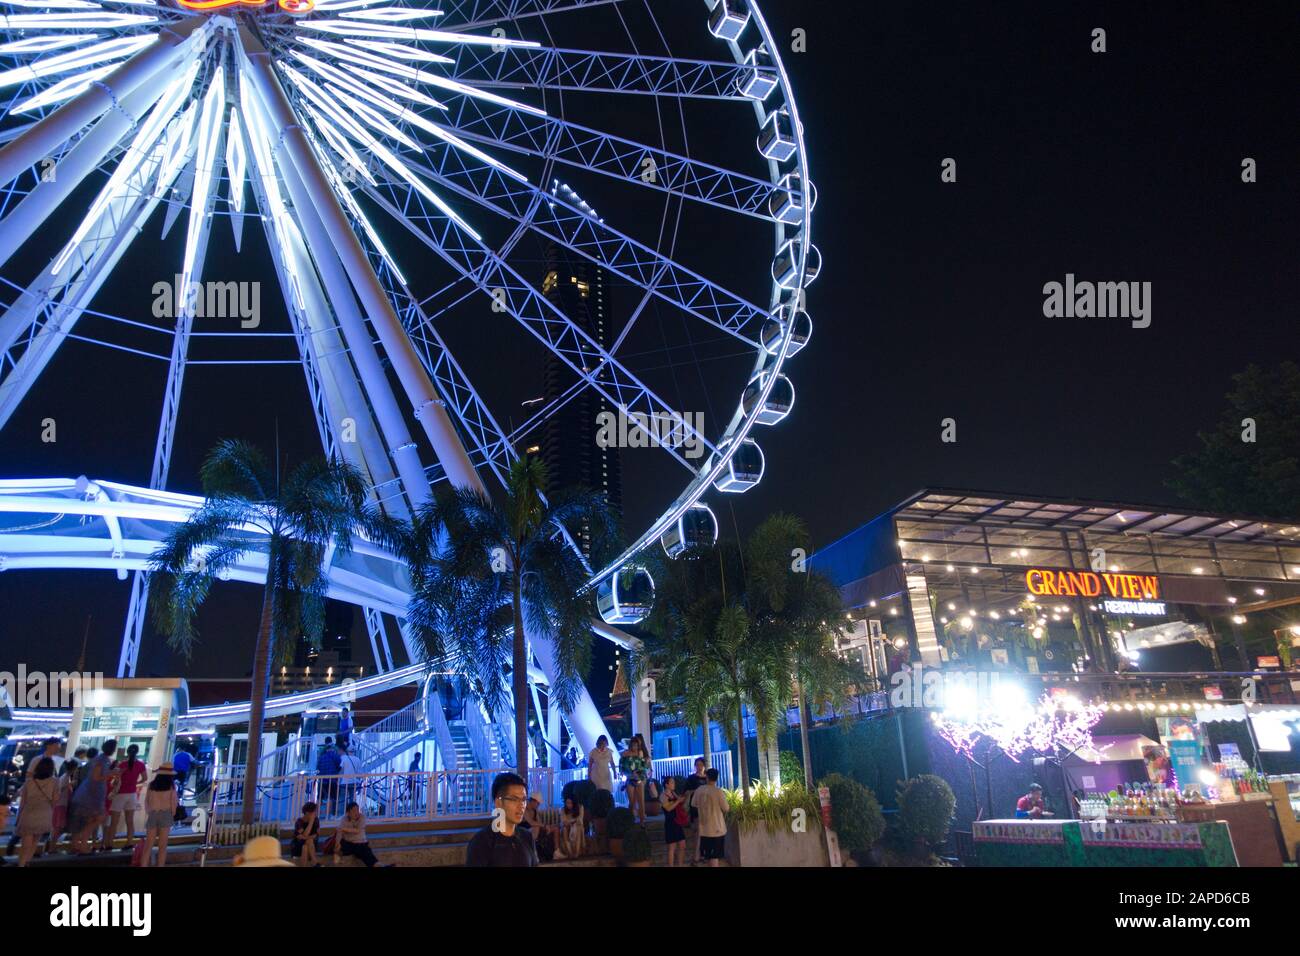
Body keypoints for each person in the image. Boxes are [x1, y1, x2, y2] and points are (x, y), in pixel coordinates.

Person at [464, 772, 538, 867]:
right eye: (514, 799)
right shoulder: (482, 842)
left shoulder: (527, 837)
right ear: (498, 803)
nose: (521, 806)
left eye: (523, 800)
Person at [69, 739, 117, 855]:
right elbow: (96, 777)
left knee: (91, 819)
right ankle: (82, 844)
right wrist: (111, 773)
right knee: (97, 818)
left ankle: (82, 845)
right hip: (93, 794)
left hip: (91, 793)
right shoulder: (102, 760)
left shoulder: (101, 760)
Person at [16, 757, 59, 867]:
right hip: (45, 814)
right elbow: (55, 801)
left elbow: (23, 802)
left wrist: (18, 817)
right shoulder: (54, 781)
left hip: (29, 813)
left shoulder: (29, 782)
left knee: (25, 844)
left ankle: (21, 864)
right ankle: (27, 863)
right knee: (35, 841)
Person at [105, 743, 147, 850]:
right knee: (130, 820)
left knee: (114, 821)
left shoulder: (122, 764)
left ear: (127, 752)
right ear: (137, 752)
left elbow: (116, 779)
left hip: (120, 794)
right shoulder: (140, 764)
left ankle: (109, 844)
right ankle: (129, 842)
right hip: (132, 794)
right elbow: (144, 778)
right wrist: (136, 783)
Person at [141, 763, 177, 867]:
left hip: (153, 814)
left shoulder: (152, 784)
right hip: (166, 814)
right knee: (162, 846)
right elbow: (173, 801)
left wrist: (149, 811)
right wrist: (173, 813)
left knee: (148, 845)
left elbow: (146, 800)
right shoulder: (171, 786)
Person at [692, 768, 729, 867]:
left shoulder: (699, 790)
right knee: (715, 857)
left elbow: (693, 804)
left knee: (708, 857)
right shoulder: (718, 792)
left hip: (704, 829)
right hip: (717, 829)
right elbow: (726, 808)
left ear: (706, 777)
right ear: (717, 778)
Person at [336, 801, 386, 867]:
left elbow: (357, 830)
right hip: (349, 843)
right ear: (348, 813)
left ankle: (378, 865)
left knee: (365, 851)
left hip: (361, 843)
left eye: (357, 810)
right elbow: (339, 832)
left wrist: (344, 829)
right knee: (341, 846)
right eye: (354, 810)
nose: (356, 812)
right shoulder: (344, 819)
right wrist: (337, 843)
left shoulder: (362, 818)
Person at [681, 756, 708, 863]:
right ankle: (696, 855)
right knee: (697, 830)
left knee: (704, 831)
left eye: (700, 765)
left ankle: (701, 854)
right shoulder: (691, 778)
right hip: (695, 806)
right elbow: (685, 792)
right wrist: (695, 791)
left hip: (706, 807)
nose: (699, 767)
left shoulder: (707, 778)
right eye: (697, 765)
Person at [619, 737, 649, 824]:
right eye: (633, 745)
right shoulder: (626, 753)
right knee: (631, 802)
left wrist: (646, 763)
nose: (635, 747)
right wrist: (628, 773)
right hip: (630, 779)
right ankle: (630, 820)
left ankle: (642, 821)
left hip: (639, 779)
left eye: (636, 745)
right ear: (631, 745)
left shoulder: (640, 753)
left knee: (641, 801)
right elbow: (622, 765)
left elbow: (643, 766)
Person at [660, 775, 688, 867]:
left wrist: (683, 799)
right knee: (671, 847)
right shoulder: (663, 795)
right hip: (670, 823)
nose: (674, 784)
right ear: (666, 785)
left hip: (677, 821)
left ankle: (680, 864)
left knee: (682, 845)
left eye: (673, 782)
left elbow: (679, 803)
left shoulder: (673, 793)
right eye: (672, 782)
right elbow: (668, 808)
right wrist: (678, 801)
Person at [315, 736, 342, 814]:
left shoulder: (321, 756)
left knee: (320, 797)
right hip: (332, 779)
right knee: (332, 797)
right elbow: (339, 765)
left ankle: (317, 813)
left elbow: (318, 767)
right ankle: (328, 814)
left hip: (322, 780)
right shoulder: (335, 755)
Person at [291, 801, 321, 866]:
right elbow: (304, 835)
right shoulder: (299, 822)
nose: (315, 814)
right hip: (298, 844)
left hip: (312, 843)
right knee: (305, 845)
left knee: (306, 846)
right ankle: (314, 862)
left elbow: (316, 835)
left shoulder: (316, 820)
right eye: (314, 812)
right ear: (307, 813)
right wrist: (311, 822)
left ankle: (313, 862)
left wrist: (305, 837)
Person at [557, 793, 585, 860]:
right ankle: (570, 853)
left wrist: (571, 822)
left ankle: (576, 853)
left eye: (570, 803)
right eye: (567, 803)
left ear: (574, 803)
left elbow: (580, 820)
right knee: (564, 829)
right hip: (566, 827)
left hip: (577, 827)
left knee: (578, 827)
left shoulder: (580, 807)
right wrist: (572, 821)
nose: (568, 805)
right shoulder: (562, 809)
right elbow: (563, 822)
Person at [171, 746, 194, 810]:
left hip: (175, 771)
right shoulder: (188, 754)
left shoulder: (175, 755)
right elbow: (194, 761)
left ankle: (175, 795)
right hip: (183, 772)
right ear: (184, 749)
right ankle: (179, 796)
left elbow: (171, 763)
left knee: (175, 783)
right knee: (181, 783)